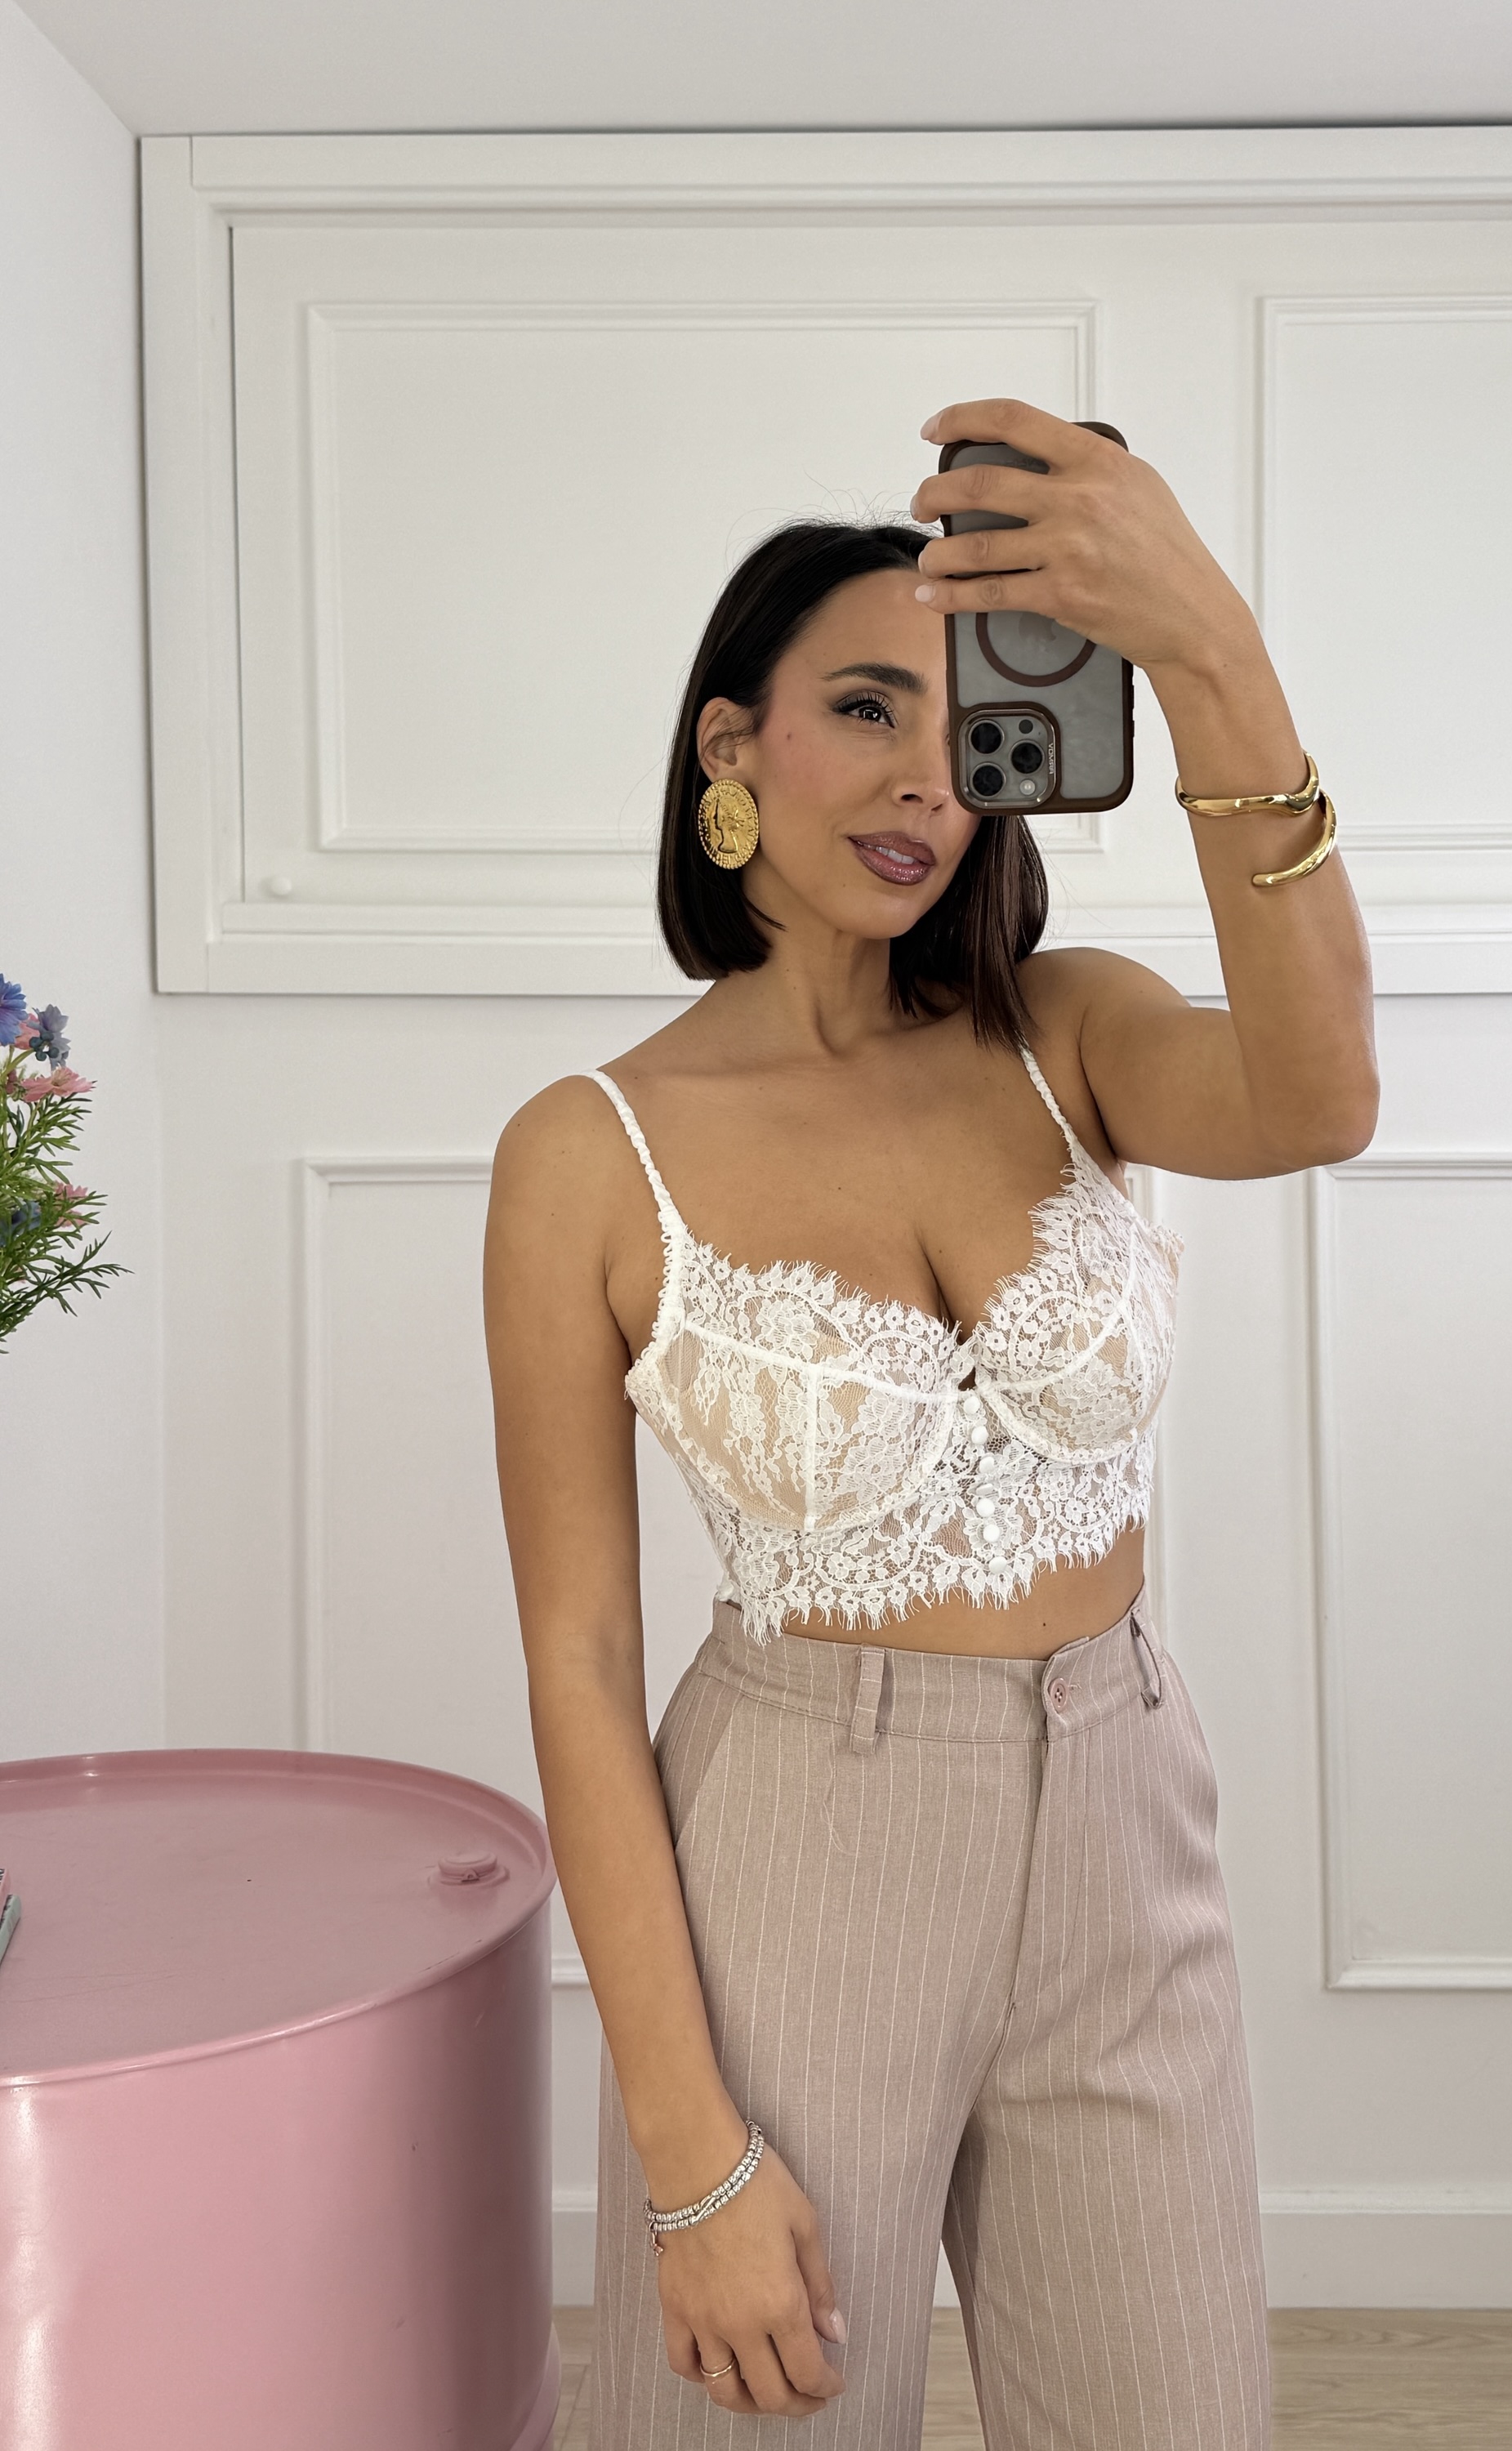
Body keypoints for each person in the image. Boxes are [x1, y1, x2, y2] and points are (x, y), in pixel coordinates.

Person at [483, 398, 1377, 2449]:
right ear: (732, 747)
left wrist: (1208, 649)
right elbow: (580, 1659)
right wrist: (692, 2160)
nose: (923, 780)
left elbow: (1324, 1093)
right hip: (801, 1847)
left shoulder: (1070, 1031)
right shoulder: (590, 1151)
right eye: (866, 709)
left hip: (1126, 1810)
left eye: (970, 732)